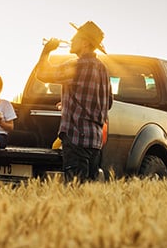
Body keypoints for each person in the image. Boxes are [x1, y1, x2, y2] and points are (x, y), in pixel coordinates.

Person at [35, 21, 113, 182]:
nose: (71, 40)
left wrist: (46, 51)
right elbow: (108, 102)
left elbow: (42, 73)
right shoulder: (103, 68)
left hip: (76, 139)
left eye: (75, 38)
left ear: (84, 42)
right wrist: (70, 104)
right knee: (86, 193)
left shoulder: (77, 65)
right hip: (95, 142)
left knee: (74, 191)